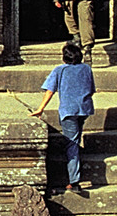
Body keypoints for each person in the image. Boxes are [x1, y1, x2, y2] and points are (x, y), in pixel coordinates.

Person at [30, 42, 96, 194]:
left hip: (69, 111)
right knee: (75, 138)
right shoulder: (86, 68)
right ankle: (75, 168)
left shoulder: (60, 70)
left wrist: (40, 108)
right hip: (84, 109)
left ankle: (74, 181)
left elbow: (50, 91)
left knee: (72, 144)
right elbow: (91, 90)